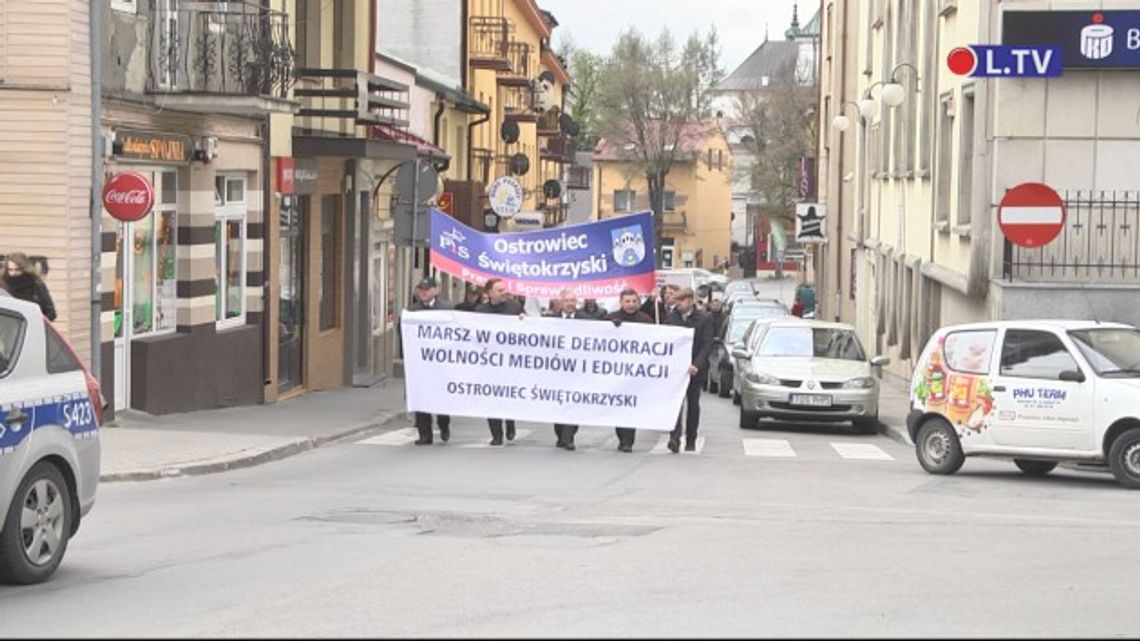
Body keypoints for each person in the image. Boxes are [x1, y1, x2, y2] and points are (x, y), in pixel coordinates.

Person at [404, 277, 454, 445]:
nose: (424, 293)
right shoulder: (412, 311)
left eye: (427, 289)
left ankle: (444, 424)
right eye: (421, 289)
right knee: (421, 396)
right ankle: (425, 434)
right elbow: (403, 333)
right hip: (420, 362)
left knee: (441, 397)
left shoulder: (447, 308)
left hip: (441, 362)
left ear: (436, 290)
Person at [664, 288, 715, 453]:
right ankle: (674, 438)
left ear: (690, 301)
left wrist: (697, 364)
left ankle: (691, 437)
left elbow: (707, 344)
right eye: (676, 301)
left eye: (681, 301)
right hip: (676, 370)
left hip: (695, 369)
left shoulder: (704, 319)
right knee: (675, 404)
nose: (678, 305)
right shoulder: (671, 318)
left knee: (693, 404)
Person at [475, 278, 525, 446]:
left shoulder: (515, 307)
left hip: (510, 362)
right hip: (489, 362)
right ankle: (496, 434)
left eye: (504, 289)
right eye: (499, 290)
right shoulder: (481, 311)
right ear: (489, 293)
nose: (504, 292)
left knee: (508, 395)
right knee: (491, 397)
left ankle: (510, 421)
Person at [605, 288, 654, 453]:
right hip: (615, 371)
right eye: (628, 301)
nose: (631, 304)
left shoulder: (646, 320)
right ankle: (621, 437)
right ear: (621, 302)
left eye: (634, 301)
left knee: (631, 405)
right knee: (619, 406)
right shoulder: (611, 318)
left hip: (637, 372)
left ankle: (628, 441)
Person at [550, 289, 593, 451]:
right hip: (556, 371)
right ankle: (561, 435)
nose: (570, 304)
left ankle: (569, 437)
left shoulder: (586, 320)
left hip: (577, 371)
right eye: (567, 300)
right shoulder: (550, 320)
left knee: (574, 404)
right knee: (558, 404)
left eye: (573, 301)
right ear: (560, 302)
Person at [2, 253, 56, 321]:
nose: (13, 273)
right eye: (10, 270)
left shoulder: (36, 284)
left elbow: (50, 312)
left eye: (17, 270)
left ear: (25, 269)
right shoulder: (3, 285)